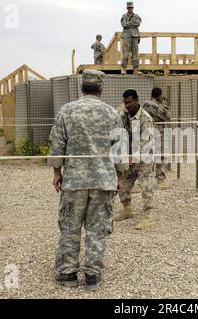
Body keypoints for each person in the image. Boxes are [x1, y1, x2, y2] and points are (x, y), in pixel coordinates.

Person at [48, 70, 128, 290]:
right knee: (97, 228)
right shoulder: (112, 114)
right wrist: (119, 177)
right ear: (101, 88)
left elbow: (57, 144)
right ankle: (92, 275)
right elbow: (119, 149)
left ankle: (67, 273)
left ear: (81, 87)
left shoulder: (67, 110)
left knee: (69, 228)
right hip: (103, 181)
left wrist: (57, 173)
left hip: (74, 181)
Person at [114, 89, 156, 230]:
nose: (127, 105)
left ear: (137, 101)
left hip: (144, 158)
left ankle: (148, 217)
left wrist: (135, 156)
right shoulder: (123, 113)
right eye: (125, 102)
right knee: (123, 185)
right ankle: (127, 209)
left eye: (130, 102)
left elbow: (147, 142)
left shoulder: (146, 119)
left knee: (146, 187)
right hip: (128, 156)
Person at [142, 87, 171, 190]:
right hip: (157, 133)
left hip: (146, 133)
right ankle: (160, 180)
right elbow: (167, 116)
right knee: (160, 155)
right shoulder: (156, 106)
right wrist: (164, 104)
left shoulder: (145, 104)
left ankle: (143, 179)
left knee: (146, 156)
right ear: (159, 96)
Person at [120, 2, 142, 75]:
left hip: (135, 36)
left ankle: (135, 69)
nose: (130, 9)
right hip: (126, 36)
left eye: (131, 7)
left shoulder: (137, 16)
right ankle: (124, 69)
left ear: (133, 8)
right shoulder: (124, 16)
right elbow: (123, 25)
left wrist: (128, 23)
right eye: (129, 7)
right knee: (125, 53)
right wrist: (132, 23)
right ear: (127, 8)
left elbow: (138, 24)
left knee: (135, 53)